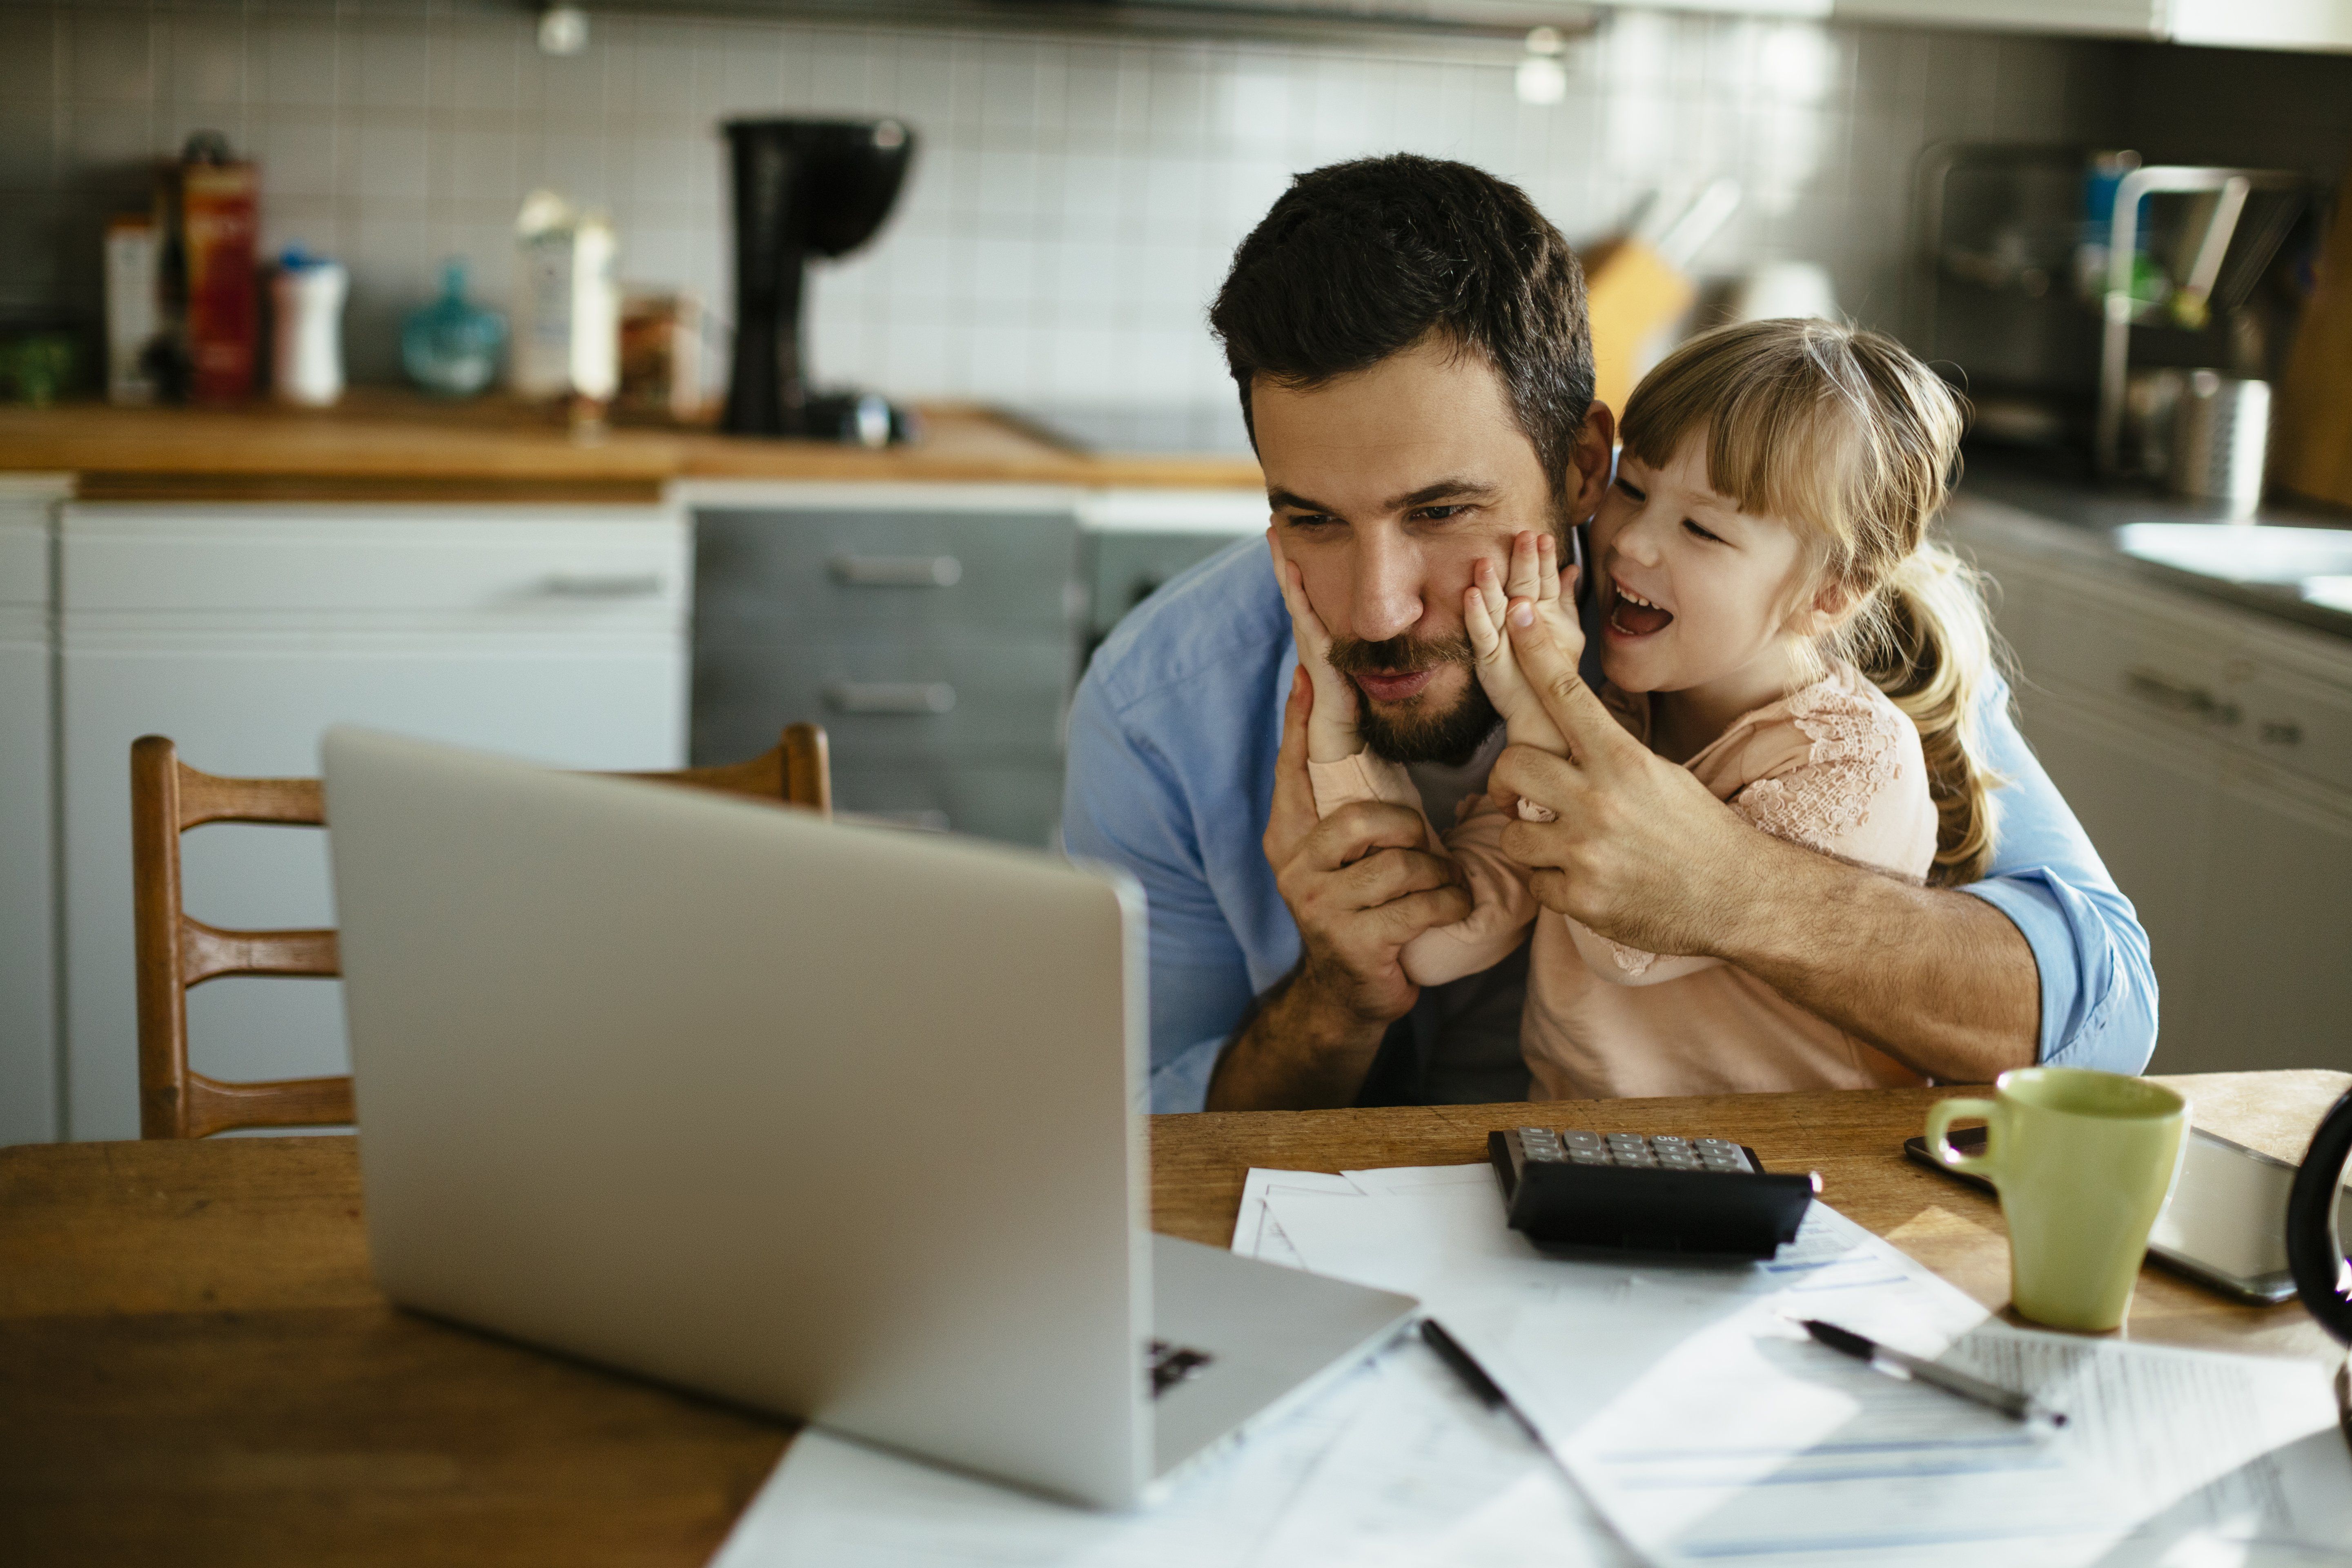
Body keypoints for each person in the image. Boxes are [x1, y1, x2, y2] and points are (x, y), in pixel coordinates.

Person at [1060, 153, 2156, 1114]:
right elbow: (1135, 1145)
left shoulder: (1785, 630)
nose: (1378, 609)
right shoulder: (1166, 705)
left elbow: (2103, 1013)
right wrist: (1339, 995)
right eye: (1311, 518)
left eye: (1443, 513)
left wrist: (1734, 888)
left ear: (1588, 466)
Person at [1285, 316, 2004, 1099]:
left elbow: (1624, 941)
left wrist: (1536, 709)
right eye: (1634, 489)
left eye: (1702, 528)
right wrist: (1337, 737)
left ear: (1830, 594)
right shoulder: (1620, 712)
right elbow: (1436, 947)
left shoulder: (1854, 761)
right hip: (1586, 1162)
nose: (1631, 543)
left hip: (1799, 1181)